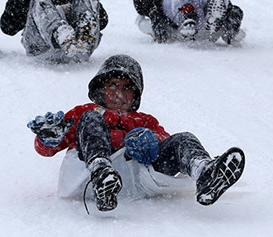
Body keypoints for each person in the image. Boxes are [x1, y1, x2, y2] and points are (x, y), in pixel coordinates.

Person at [26, 54, 245, 213]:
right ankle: (102, 172)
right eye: (112, 85)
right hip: (89, 177)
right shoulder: (86, 112)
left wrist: (150, 141)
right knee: (92, 120)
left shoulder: (145, 121)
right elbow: (48, 149)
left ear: (136, 94)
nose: (119, 93)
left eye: (127, 87)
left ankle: (205, 173)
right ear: (101, 88)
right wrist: (48, 138)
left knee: (183, 139)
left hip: (136, 179)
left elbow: (165, 140)